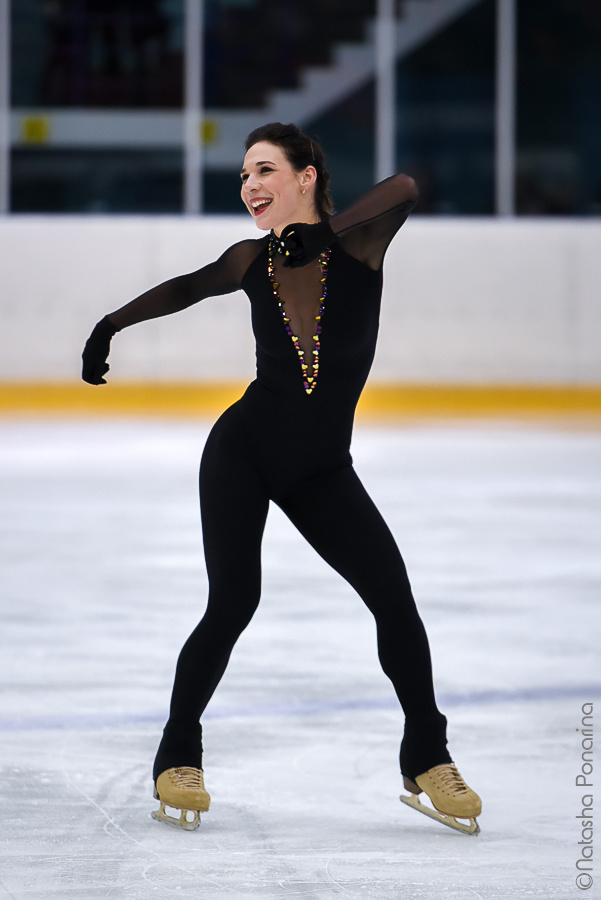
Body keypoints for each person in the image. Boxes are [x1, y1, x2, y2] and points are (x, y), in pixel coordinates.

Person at [82, 122, 482, 835]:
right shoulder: (250, 259)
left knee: (394, 602)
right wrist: (108, 326)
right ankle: (177, 756)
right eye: (243, 175)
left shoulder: (357, 246)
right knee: (233, 603)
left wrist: (323, 235)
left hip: (321, 469)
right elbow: (185, 288)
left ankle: (426, 753)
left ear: (306, 176)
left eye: (264, 170)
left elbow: (404, 187)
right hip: (243, 452)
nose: (249, 186)